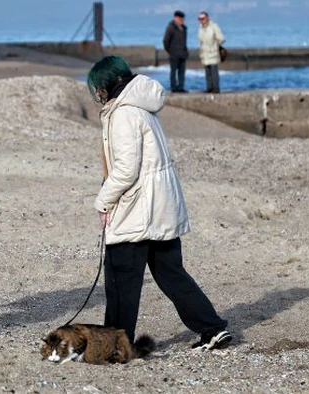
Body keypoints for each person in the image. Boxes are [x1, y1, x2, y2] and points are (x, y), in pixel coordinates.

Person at [87, 55, 232, 351]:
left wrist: (103, 201)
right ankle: (212, 328)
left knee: (120, 278)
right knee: (171, 273)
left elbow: (127, 169)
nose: (99, 95)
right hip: (161, 206)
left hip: (137, 209)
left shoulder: (124, 113)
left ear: (111, 84)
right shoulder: (143, 107)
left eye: (100, 88)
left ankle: (116, 345)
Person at [197, 11, 225, 93]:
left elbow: (221, 38)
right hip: (204, 53)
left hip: (213, 52)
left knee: (214, 72)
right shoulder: (200, 28)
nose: (201, 20)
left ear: (207, 18)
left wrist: (215, 46)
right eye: (199, 19)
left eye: (202, 18)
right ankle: (209, 88)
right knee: (207, 72)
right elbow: (200, 41)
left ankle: (216, 88)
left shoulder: (214, 26)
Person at [162, 10, 189, 93]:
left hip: (182, 53)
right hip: (174, 53)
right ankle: (173, 87)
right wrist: (169, 50)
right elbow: (165, 40)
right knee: (173, 72)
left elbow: (184, 41)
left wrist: (185, 51)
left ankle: (181, 87)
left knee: (182, 72)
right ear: (176, 18)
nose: (182, 20)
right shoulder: (171, 27)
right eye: (180, 19)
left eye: (183, 19)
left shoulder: (184, 28)